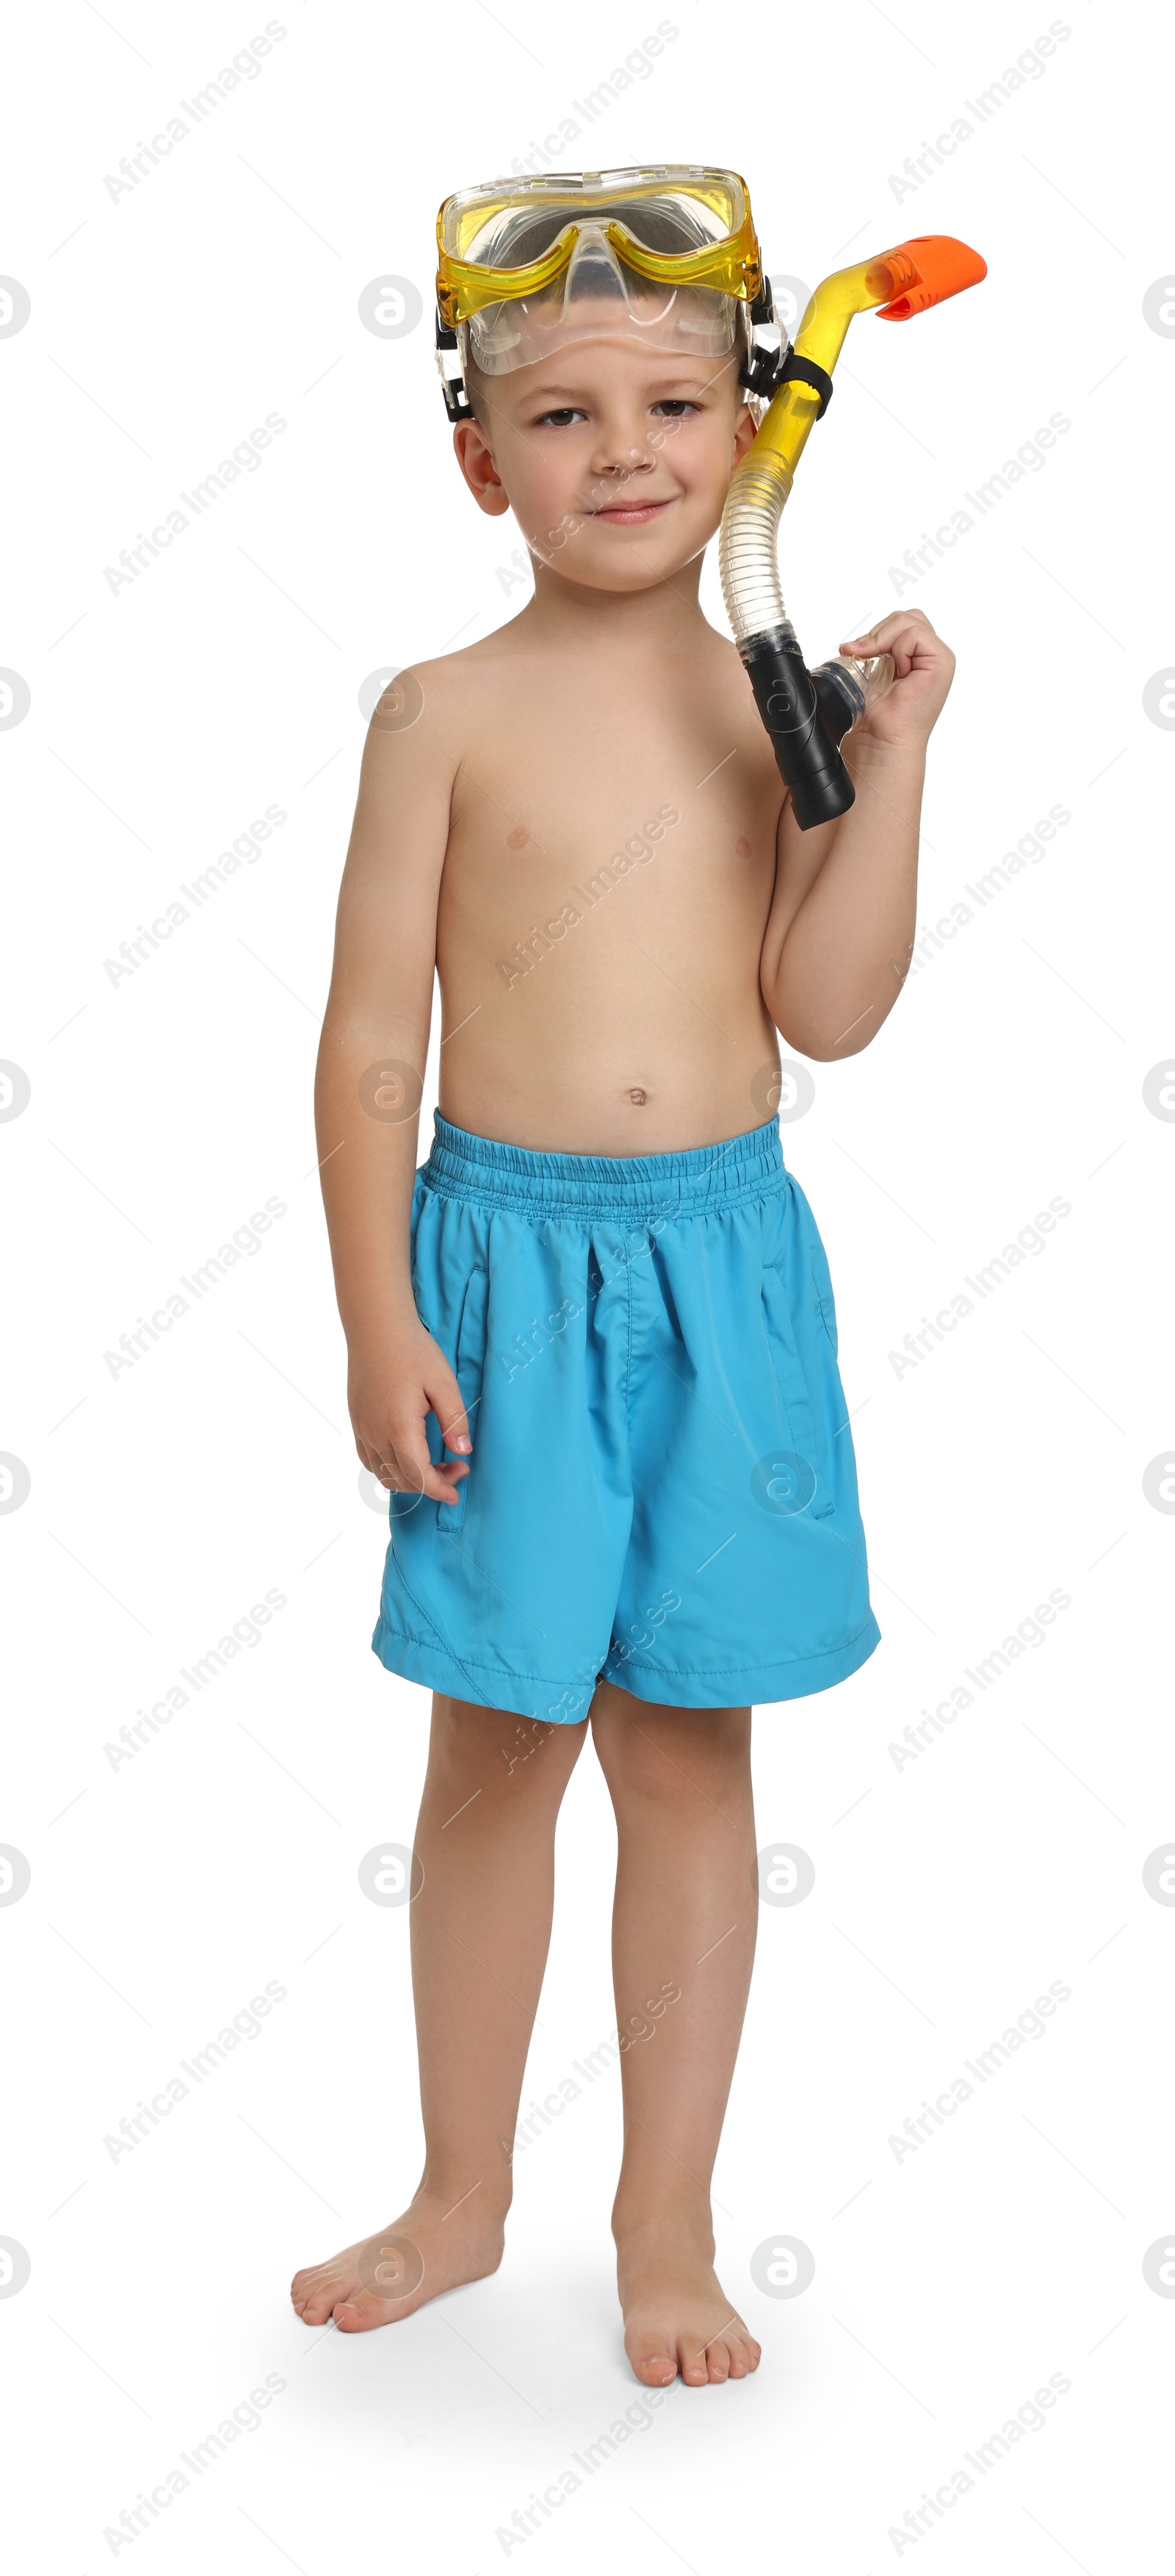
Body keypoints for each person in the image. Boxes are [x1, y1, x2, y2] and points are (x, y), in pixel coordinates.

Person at [292, 169, 954, 2386]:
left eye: (674, 401)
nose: (626, 452)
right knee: (494, 1750)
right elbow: (374, 1037)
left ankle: (663, 2213)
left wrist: (895, 772)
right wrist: (383, 1311)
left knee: (688, 1755)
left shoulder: (785, 705)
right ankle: (458, 2192)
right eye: (560, 416)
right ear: (480, 459)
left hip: (725, 1279)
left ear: (751, 421)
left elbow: (831, 1009)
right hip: (499, 1272)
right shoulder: (439, 713)